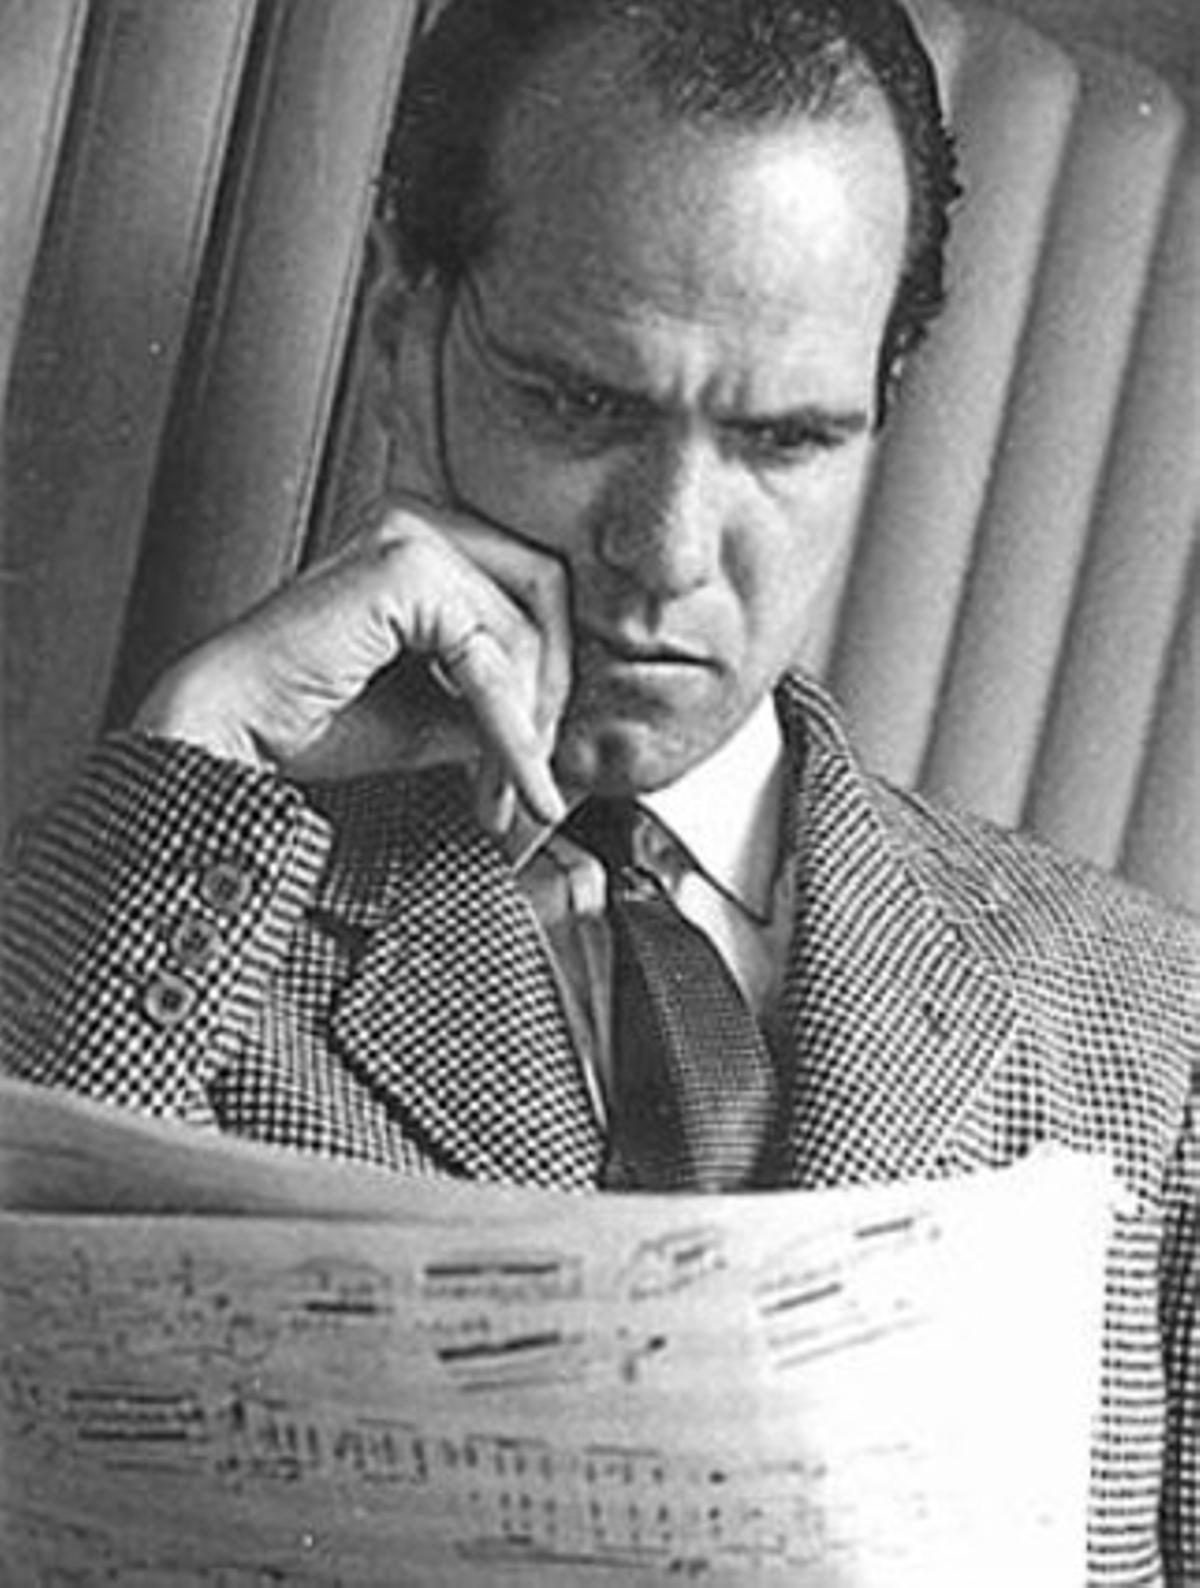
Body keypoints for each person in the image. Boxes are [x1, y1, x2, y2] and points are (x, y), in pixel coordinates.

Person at [1, 0, 1195, 1577]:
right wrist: (204, 748)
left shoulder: (1154, 1038)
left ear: (881, 412)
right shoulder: (144, 936)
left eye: (786, 440)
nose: (669, 552)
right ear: (400, 338)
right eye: (581, 404)